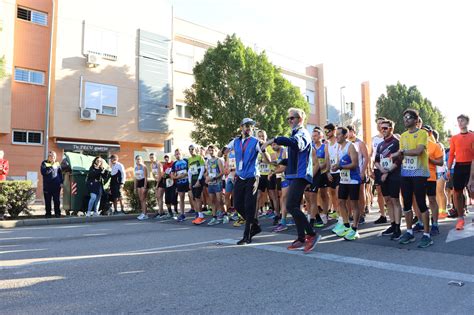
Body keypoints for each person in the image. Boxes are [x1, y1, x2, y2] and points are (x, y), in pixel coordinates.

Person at [264, 108, 321, 253]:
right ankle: (301, 238)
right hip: (294, 174)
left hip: (301, 175)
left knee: (290, 205)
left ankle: (312, 234)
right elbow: (293, 157)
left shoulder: (302, 133)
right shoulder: (295, 133)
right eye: (288, 118)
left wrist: (274, 140)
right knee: (294, 206)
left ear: (300, 119)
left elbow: (297, 144)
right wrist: (281, 162)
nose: (290, 121)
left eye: (292, 118)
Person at [224, 118, 269, 245]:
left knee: (249, 206)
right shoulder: (236, 141)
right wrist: (224, 151)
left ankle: (247, 235)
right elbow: (225, 150)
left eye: (251, 126)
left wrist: (265, 152)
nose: (249, 128)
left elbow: (266, 157)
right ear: (241, 127)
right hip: (240, 176)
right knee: (237, 204)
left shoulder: (256, 142)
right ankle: (255, 225)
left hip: (252, 177)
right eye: (246, 125)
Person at [391, 109, 433, 248]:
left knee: (421, 203)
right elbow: (402, 155)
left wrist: (401, 152)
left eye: (409, 118)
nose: (406, 120)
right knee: (407, 203)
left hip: (419, 173)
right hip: (406, 173)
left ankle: (427, 234)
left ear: (416, 120)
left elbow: (419, 151)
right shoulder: (402, 136)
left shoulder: (422, 133)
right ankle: (409, 232)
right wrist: (397, 155)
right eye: (404, 118)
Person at [330, 127, 362, 241]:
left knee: (354, 204)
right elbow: (339, 163)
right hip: (343, 179)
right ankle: (346, 225)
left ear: (345, 135)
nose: (336, 136)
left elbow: (354, 164)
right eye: (336, 134)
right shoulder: (339, 147)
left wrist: (340, 166)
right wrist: (335, 166)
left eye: (339, 134)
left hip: (353, 179)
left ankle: (355, 228)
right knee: (341, 202)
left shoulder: (351, 146)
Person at [374, 120, 403, 240]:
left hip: (394, 175)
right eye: (381, 128)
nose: (383, 130)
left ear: (391, 128)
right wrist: (381, 170)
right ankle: (392, 224)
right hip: (383, 175)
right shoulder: (380, 145)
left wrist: (388, 171)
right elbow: (376, 160)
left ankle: (397, 227)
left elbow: (399, 159)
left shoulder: (396, 142)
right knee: (387, 200)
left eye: (385, 128)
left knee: (395, 200)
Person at [447, 114, 474, 230]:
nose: (460, 123)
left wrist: (472, 175)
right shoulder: (454, 138)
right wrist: (448, 169)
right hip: (458, 166)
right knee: (457, 192)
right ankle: (460, 218)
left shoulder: (472, 136)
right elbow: (451, 154)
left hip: (470, 165)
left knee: (472, 190)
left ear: (467, 122)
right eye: (458, 121)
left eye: (462, 120)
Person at [422, 125, 444, 235]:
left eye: (425, 132)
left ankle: (435, 224)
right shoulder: (415, 145)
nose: (423, 133)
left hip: (430, 176)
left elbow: (440, 162)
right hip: (417, 176)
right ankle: (422, 223)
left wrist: (430, 160)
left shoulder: (434, 146)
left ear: (430, 133)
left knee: (431, 200)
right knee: (420, 200)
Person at [347, 125, 369, 225]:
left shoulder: (360, 143)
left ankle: (362, 213)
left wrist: (363, 171)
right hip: (347, 173)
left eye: (350, 131)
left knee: (360, 193)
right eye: (346, 132)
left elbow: (366, 158)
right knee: (348, 195)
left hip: (358, 172)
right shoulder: (345, 144)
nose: (348, 134)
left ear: (353, 132)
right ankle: (350, 214)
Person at [370, 117, 388, 224]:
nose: (379, 126)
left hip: (388, 168)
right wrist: (370, 169)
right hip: (377, 169)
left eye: (381, 123)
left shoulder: (390, 138)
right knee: (379, 192)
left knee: (390, 193)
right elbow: (371, 154)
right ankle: (383, 215)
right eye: (378, 124)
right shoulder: (374, 139)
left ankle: (394, 216)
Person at [205, 145, 226, 225]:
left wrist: (213, 178)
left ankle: (224, 214)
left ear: (216, 151)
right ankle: (214, 217)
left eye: (212, 150)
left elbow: (222, 172)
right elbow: (207, 172)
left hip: (217, 183)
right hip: (210, 184)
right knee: (212, 201)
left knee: (219, 200)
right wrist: (206, 177)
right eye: (209, 150)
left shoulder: (218, 160)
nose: (211, 152)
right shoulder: (208, 161)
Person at [324, 123, 340, 220]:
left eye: (328, 131)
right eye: (325, 132)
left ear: (334, 131)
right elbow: (327, 158)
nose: (326, 133)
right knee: (332, 193)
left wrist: (337, 166)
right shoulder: (327, 144)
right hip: (331, 172)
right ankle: (336, 210)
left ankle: (341, 213)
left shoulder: (338, 143)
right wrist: (328, 172)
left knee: (339, 194)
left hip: (339, 172)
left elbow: (339, 156)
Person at [41, 151, 63, 218]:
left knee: (56, 200)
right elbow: (44, 172)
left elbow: (60, 174)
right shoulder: (44, 163)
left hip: (56, 186)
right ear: (48, 157)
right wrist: (51, 167)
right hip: (47, 186)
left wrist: (61, 182)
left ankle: (57, 213)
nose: (52, 157)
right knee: (48, 201)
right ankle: (48, 214)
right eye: (51, 156)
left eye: (54, 156)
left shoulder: (57, 164)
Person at [188, 144, 206, 224]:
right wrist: (189, 182)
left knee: (198, 198)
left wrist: (199, 180)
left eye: (192, 149)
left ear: (196, 149)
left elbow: (202, 169)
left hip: (199, 179)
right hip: (193, 180)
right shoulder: (189, 159)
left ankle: (201, 216)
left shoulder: (200, 157)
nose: (191, 151)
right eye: (190, 149)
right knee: (194, 198)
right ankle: (198, 215)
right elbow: (189, 171)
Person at [171, 149, 189, 222]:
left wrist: (183, 175)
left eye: (179, 154)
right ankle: (182, 214)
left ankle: (197, 213)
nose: (177, 155)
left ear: (182, 154)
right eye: (176, 154)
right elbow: (172, 175)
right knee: (181, 198)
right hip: (179, 183)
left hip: (188, 182)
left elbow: (189, 172)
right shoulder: (174, 163)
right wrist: (178, 177)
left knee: (192, 197)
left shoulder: (186, 161)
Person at [149, 153, 164, 218]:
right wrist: (155, 179)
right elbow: (153, 174)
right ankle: (161, 211)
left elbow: (160, 174)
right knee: (157, 197)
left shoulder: (158, 164)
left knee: (159, 196)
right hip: (156, 181)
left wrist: (157, 184)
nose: (151, 159)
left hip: (161, 181)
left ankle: (160, 212)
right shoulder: (151, 165)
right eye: (150, 157)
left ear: (155, 157)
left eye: (152, 157)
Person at [134, 155, 149, 220]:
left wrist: (145, 186)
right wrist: (135, 187)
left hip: (143, 182)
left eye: (139, 159)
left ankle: (145, 214)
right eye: (137, 159)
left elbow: (146, 177)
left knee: (143, 199)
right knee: (141, 199)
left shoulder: (144, 167)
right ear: (135, 160)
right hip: (139, 183)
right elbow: (136, 178)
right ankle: (143, 213)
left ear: (141, 159)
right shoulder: (136, 168)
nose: (138, 160)